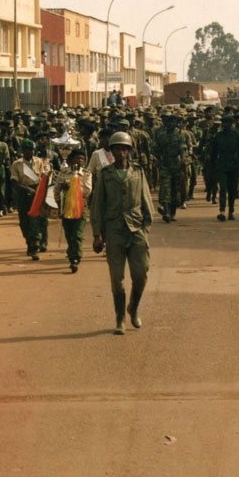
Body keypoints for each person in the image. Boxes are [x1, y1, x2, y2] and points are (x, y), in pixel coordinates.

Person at [90, 132, 154, 335]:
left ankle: (133, 308)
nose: (121, 152)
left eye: (124, 148)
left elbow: (146, 201)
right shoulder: (105, 175)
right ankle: (120, 318)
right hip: (114, 231)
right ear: (112, 151)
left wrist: (146, 227)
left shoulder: (138, 172)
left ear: (129, 151)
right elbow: (97, 205)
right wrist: (97, 234)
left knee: (141, 274)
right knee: (117, 279)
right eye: (117, 148)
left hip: (136, 229)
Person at [10, 139, 51, 260]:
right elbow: (14, 181)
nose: (31, 152)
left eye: (32, 150)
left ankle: (35, 245)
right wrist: (27, 189)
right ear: (23, 151)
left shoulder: (39, 161)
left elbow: (43, 176)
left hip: (37, 191)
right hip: (23, 192)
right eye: (28, 150)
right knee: (24, 220)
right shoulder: (17, 164)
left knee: (37, 219)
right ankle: (29, 242)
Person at [54, 149, 92, 272]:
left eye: (82, 159)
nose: (79, 161)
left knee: (77, 233)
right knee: (69, 233)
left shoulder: (86, 174)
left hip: (80, 206)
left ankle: (75, 258)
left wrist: (71, 185)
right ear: (71, 160)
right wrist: (58, 205)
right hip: (66, 206)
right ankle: (72, 251)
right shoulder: (64, 172)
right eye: (77, 158)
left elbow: (87, 191)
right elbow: (56, 189)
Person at [210, 114, 239, 221]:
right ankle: (222, 211)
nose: (226, 125)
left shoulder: (237, 135)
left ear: (231, 124)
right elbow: (214, 152)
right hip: (222, 165)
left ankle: (231, 211)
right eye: (224, 123)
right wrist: (213, 165)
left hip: (233, 165)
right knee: (223, 189)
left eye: (228, 123)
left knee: (232, 190)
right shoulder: (218, 136)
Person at [152, 114, 187, 222]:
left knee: (175, 189)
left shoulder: (180, 135)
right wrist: (159, 158)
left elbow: (183, 149)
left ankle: (173, 213)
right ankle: (166, 212)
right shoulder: (161, 135)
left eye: (173, 122)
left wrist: (183, 159)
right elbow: (154, 148)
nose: (171, 124)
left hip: (176, 164)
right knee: (166, 188)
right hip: (165, 164)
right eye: (169, 122)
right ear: (166, 123)